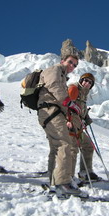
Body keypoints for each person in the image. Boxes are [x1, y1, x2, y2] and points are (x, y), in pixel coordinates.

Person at [37, 54, 84, 196]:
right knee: (64, 144)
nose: (72, 66)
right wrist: (69, 102)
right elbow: (54, 86)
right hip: (50, 110)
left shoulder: (62, 74)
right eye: (70, 62)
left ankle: (54, 181)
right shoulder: (54, 70)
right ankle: (63, 183)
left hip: (51, 111)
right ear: (62, 61)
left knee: (56, 146)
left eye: (75, 65)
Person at [67, 73, 101, 182]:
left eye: (90, 82)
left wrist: (86, 117)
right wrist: (68, 121)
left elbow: (79, 109)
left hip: (78, 126)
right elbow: (64, 105)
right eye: (85, 80)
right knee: (72, 150)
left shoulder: (83, 94)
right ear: (81, 80)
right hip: (69, 125)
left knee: (88, 146)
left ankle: (85, 172)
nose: (87, 83)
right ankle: (68, 178)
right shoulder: (74, 89)